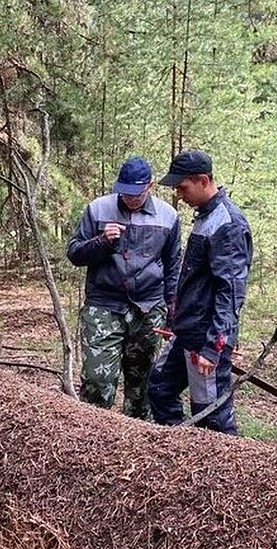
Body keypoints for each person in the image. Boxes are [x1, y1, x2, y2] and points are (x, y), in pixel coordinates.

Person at [67, 156, 182, 419]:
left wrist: (172, 315)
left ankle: (137, 445)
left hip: (149, 309)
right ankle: (93, 437)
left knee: (142, 387)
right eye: (125, 192)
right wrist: (102, 241)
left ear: (150, 186)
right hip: (104, 306)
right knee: (97, 382)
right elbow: (74, 253)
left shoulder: (168, 217)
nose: (130, 199)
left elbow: (173, 267)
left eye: (136, 193)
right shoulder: (97, 210)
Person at [148, 149, 253, 436]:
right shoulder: (205, 216)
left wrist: (213, 347)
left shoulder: (227, 224)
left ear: (203, 180)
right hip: (187, 331)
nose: (179, 195)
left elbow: (229, 292)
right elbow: (194, 278)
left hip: (207, 338)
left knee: (212, 417)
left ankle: (228, 473)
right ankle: (183, 453)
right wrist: (174, 321)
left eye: (182, 187)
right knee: (159, 389)